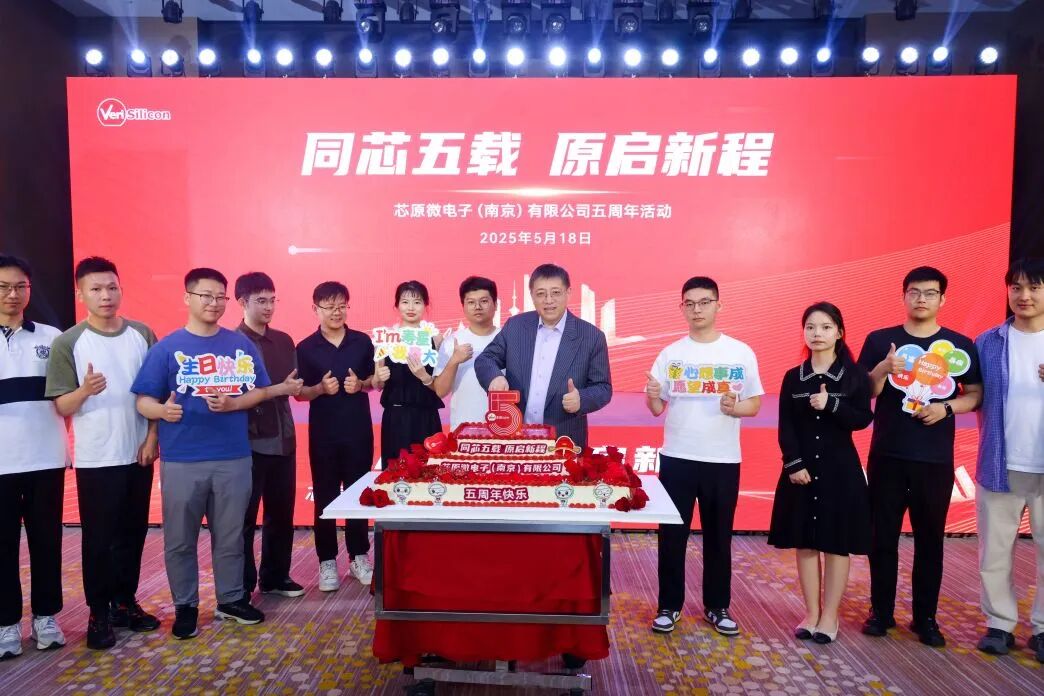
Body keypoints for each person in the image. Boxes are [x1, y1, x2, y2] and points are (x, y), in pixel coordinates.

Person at [131, 267, 303, 640]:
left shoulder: (240, 346)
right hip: (182, 459)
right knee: (180, 538)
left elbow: (260, 391)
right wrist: (162, 411)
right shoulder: (167, 348)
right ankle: (186, 606)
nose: (213, 303)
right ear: (187, 298)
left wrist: (233, 403)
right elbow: (143, 399)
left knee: (231, 535)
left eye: (219, 296)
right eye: (205, 295)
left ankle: (230, 600)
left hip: (234, 457)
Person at [857, 266, 982, 647]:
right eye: (914, 292)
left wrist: (946, 408)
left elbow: (975, 394)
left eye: (930, 293)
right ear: (904, 296)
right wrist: (883, 368)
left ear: (943, 299)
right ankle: (881, 611)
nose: (921, 299)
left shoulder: (959, 345)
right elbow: (864, 393)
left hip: (934, 461)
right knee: (882, 538)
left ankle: (926, 618)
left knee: (930, 541)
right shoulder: (881, 340)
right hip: (888, 456)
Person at [44, 257, 160, 651]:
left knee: (133, 533)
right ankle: (98, 612)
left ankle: (125, 603)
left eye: (112, 287)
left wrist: (152, 438)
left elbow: (157, 393)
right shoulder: (69, 342)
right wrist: (85, 390)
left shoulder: (142, 333)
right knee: (99, 539)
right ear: (80, 294)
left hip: (139, 453)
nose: (105, 295)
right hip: (97, 459)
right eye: (96, 289)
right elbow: (61, 405)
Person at [646, 276, 763, 636]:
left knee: (718, 537)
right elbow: (657, 408)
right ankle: (669, 606)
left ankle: (717, 606)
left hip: (722, 459)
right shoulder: (671, 354)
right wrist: (651, 393)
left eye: (704, 302)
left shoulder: (739, 352)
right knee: (672, 536)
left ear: (718, 305)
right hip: (677, 457)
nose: (697, 309)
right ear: (682, 307)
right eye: (690, 303)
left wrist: (734, 408)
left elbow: (754, 404)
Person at [768, 302, 873, 645]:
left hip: (840, 471)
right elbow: (786, 426)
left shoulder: (854, 376)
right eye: (811, 327)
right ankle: (811, 613)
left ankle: (830, 616)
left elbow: (862, 419)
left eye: (826, 327)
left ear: (839, 332)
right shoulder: (793, 376)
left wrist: (832, 404)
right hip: (801, 472)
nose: (817, 334)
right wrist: (793, 464)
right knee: (806, 542)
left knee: (836, 544)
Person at [974, 258, 1044, 662]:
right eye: (1016, 287)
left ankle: (1043, 628)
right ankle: (999, 624)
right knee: (995, 550)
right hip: (999, 462)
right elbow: (972, 393)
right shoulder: (987, 342)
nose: (1024, 295)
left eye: (1034, 287)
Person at [0, 255, 68, 659]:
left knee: (47, 542)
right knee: (2, 546)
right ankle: (6, 623)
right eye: (3, 287)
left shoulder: (53, 337)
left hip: (46, 458)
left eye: (20, 286)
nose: (12, 294)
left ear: (30, 289)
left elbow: (66, 396)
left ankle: (46, 617)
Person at [474, 264, 612, 448]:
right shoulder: (516, 326)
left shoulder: (591, 336)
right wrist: (495, 377)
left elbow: (603, 387)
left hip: (564, 441)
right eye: (541, 294)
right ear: (532, 296)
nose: (548, 300)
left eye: (556, 292)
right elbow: (486, 359)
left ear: (568, 293)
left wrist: (582, 399)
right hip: (516, 439)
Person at [296, 281, 375, 590]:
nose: (336, 312)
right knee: (325, 496)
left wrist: (362, 385)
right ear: (315, 309)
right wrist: (319, 388)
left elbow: (374, 380)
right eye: (329, 307)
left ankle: (359, 556)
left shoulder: (362, 342)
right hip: (324, 433)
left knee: (358, 495)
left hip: (358, 430)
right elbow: (299, 392)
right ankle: (327, 561)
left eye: (341, 306)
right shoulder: (305, 347)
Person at [234, 272, 304, 600]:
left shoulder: (285, 341)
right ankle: (242, 585)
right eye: (261, 300)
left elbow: (296, 388)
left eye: (272, 300)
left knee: (281, 513)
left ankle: (275, 576)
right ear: (242, 302)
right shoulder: (231, 343)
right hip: (246, 442)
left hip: (283, 438)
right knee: (244, 517)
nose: (268, 307)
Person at [371, 281, 445, 465]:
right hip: (396, 418)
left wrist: (425, 377)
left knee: (429, 472)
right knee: (395, 473)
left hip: (427, 416)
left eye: (417, 302)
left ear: (426, 305)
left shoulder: (436, 339)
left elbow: (442, 384)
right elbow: (377, 385)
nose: (411, 307)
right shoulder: (385, 339)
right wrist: (378, 378)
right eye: (405, 302)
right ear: (396, 305)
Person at [433, 276, 501, 430]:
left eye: (484, 301)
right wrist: (454, 361)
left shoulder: (508, 338)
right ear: (463, 306)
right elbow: (440, 391)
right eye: (471, 302)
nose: (477, 307)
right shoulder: (452, 341)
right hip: (464, 429)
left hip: (503, 428)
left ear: (495, 304)